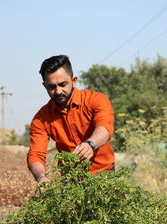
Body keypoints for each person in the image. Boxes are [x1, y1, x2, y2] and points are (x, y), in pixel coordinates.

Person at [27, 55, 115, 183]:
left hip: (104, 176)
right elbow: (36, 154)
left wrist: (91, 143)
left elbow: (105, 127)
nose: (58, 91)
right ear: (44, 86)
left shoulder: (96, 100)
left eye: (63, 84)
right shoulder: (41, 118)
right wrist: (41, 177)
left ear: (74, 81)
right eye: (51, 87)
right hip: (70, 181)